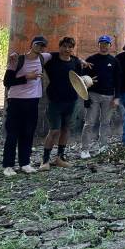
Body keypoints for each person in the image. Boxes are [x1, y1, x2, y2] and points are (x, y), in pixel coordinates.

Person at [2, 36, 51, 177]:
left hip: (33, 102)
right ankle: (8, 165)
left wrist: (80, 60)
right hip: (16, 101)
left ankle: (25, 163)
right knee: (12, 134)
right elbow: (7, 81)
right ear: (31, 44)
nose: (40, 47)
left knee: (28, 133)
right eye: (37, 44)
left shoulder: (43, 58)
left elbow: (60, 54)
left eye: (43, 46)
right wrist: (26, 77)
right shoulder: (17, 60)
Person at [41, 37, 87, 170]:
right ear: (60, 46)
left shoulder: (75, 62)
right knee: (54, 130)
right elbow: (37, 58)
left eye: (70, 47)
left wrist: (87, 81)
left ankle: (60, 157)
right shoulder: (52, 59)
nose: (67, 49)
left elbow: (79, 80)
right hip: (55, 101)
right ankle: (45, 160)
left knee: (66, 129)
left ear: (73, 49)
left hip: (71, 101)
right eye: (65, 46)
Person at [80, 35, 121, 159]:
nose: (104, 46)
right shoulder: (91, 59)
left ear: (110, 46)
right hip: (93, 95)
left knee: (105, 123)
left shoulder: (114, 61)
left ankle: (103, 147)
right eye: (101, 43)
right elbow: (82, 79)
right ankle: (85, 149)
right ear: (98, 45)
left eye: (106, 44)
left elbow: (118, 80)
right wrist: (86, 97)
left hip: (109, 96)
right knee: (89, 123)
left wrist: (117, 97)